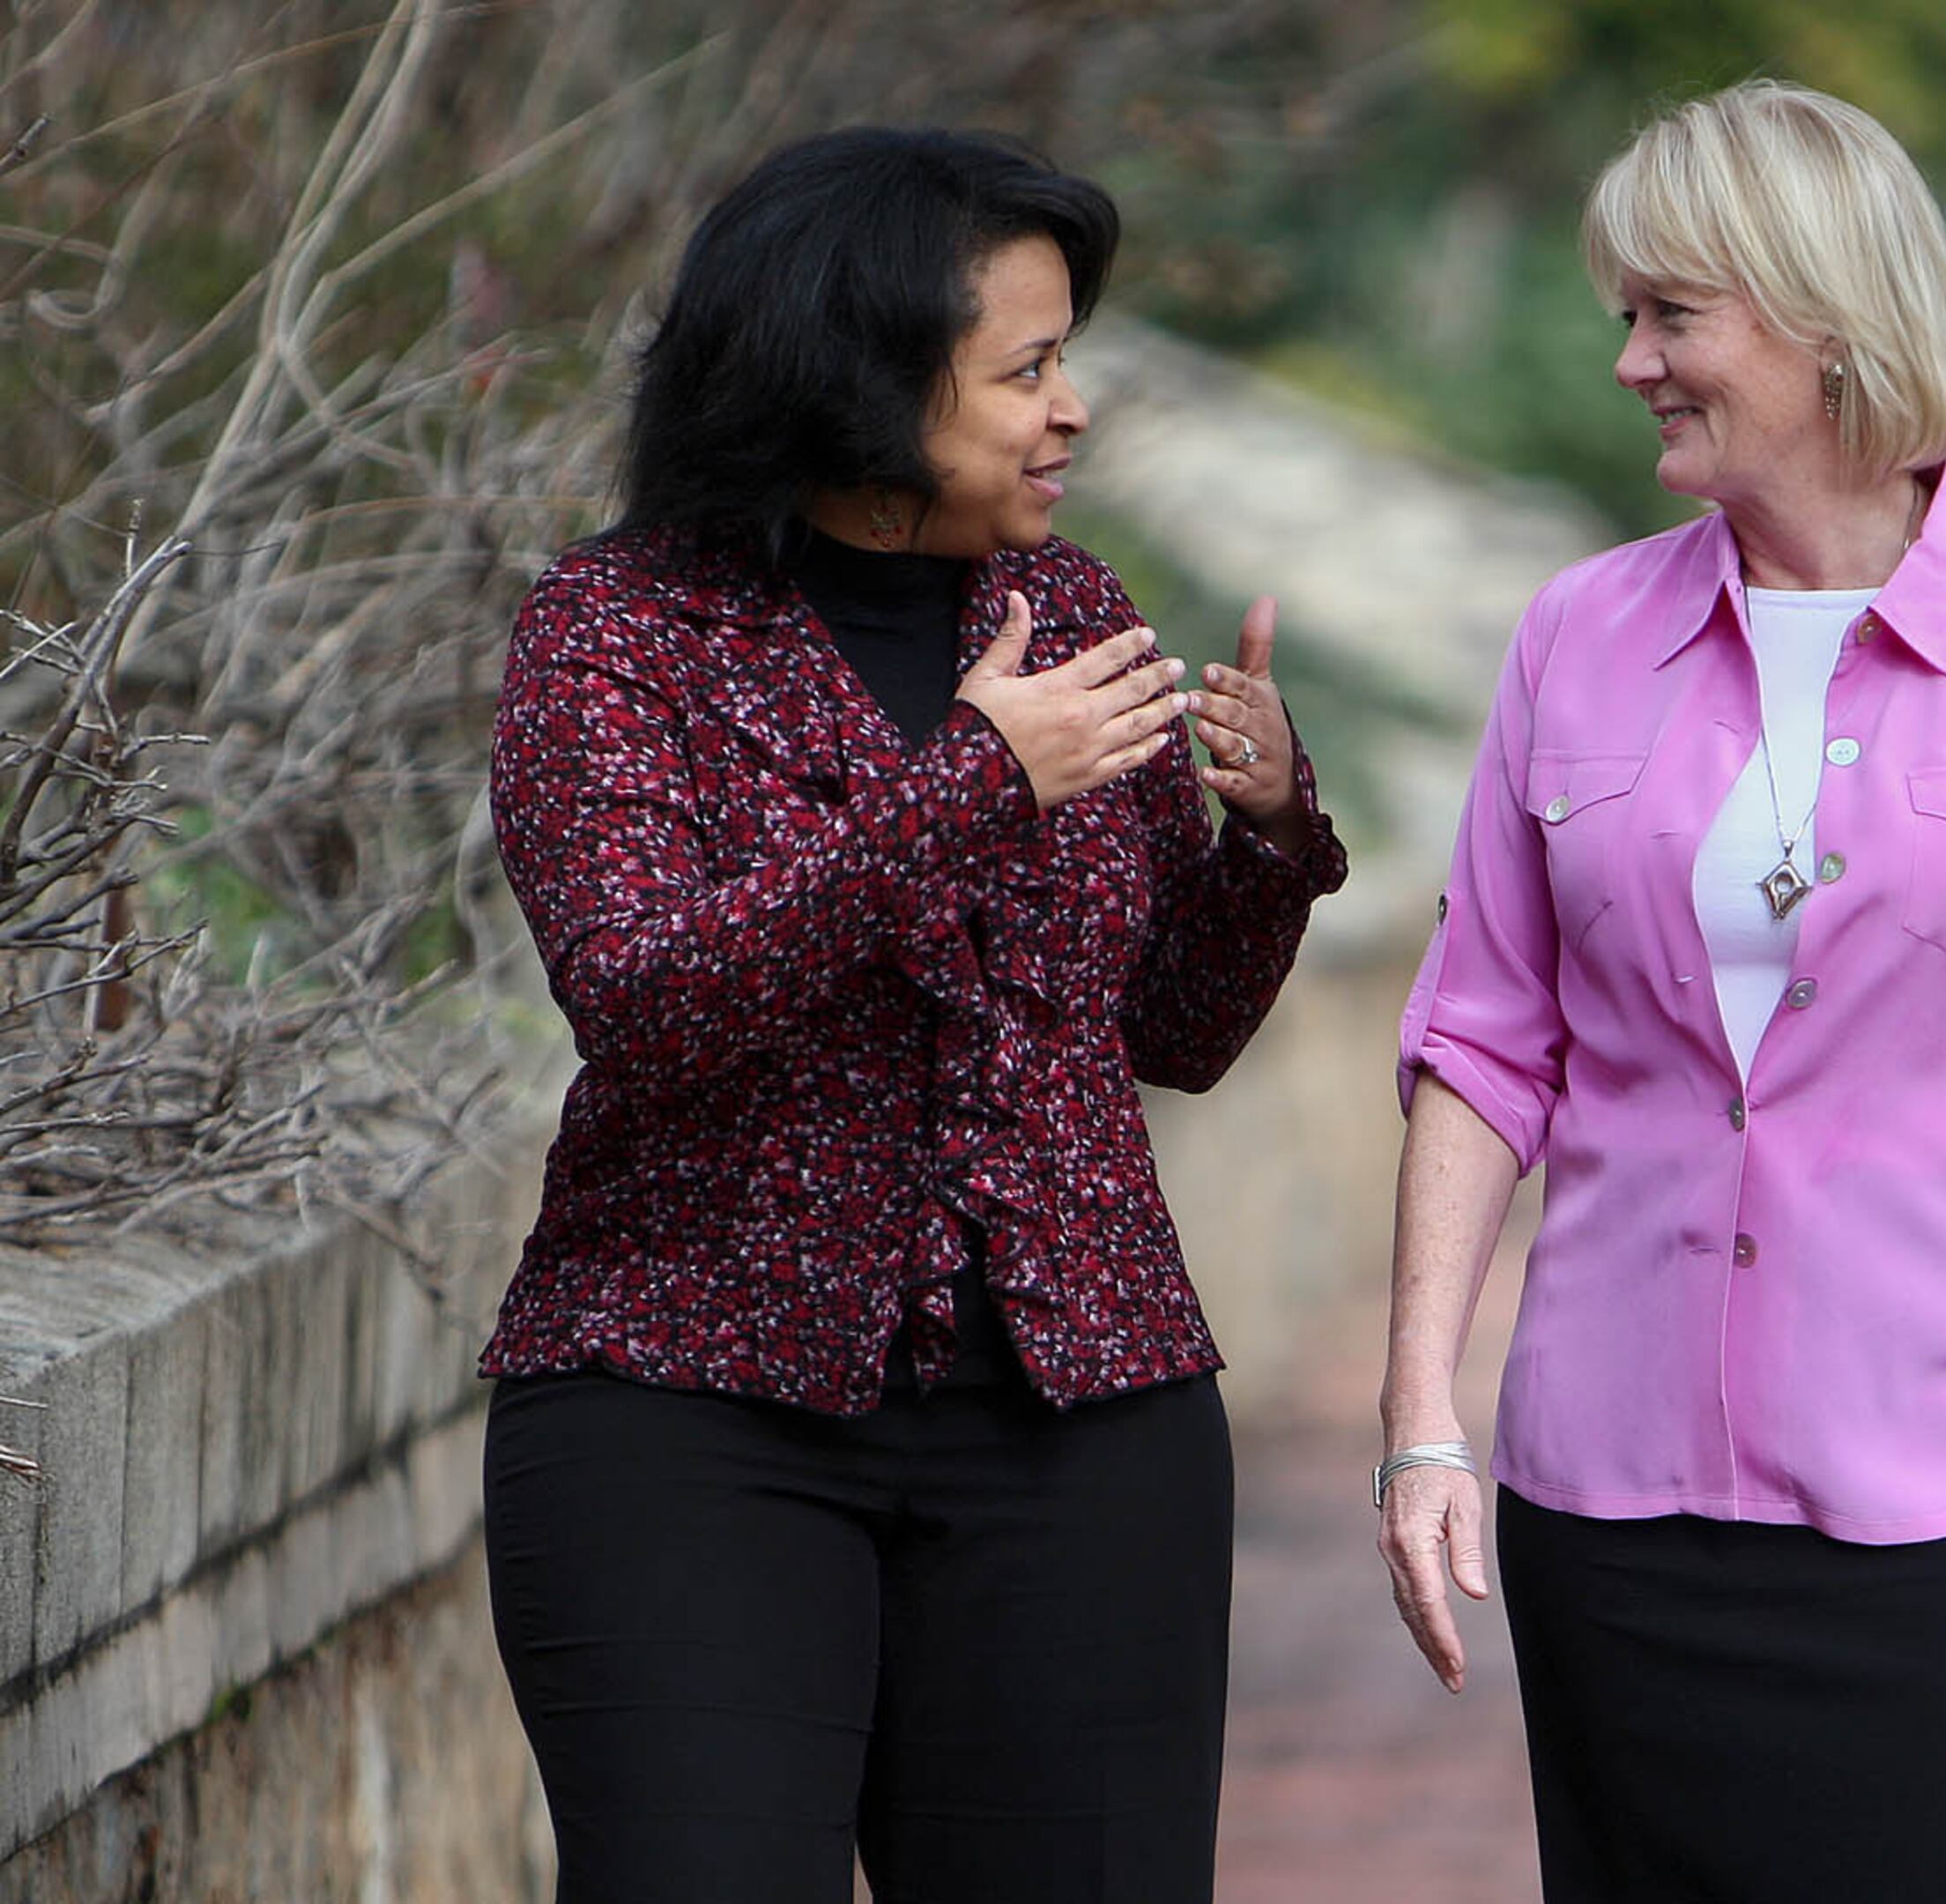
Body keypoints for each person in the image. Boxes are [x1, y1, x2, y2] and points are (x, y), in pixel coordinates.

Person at [1377, 79, 1946, 1903]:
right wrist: (1422, 1417)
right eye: (1623, 316)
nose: (1631, 358)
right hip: (1616, 1510)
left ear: (1818, 318)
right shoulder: (1576, 636)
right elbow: (1485, 1042)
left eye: (1671, 315)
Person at [480, 127, 1342, 1904]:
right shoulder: (615, 637)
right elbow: (645, 999)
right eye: (1025, 369)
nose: (1072, 412)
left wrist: (1267, 844)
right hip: (690, 1410)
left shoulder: (1076, 610)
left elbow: (1167, 1030)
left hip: (1081, 1424)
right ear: (857, 382)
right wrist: (970, 788)